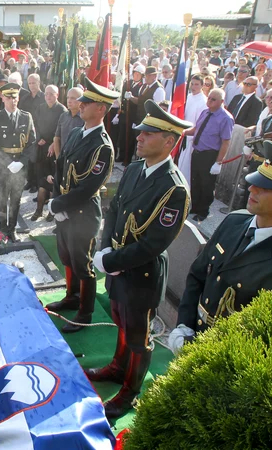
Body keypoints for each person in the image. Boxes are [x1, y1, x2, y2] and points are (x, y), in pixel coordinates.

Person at [169, 141, 272, 352]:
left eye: (266, 188)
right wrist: (184, 325)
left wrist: (196, 349)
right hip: (192, 337)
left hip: (221, 363)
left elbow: (263, 340)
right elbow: (198, 274)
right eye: (256, 181)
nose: (251, 189)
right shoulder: (234, 221)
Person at [87, 100, 191, 420]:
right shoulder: (134, 169)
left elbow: (152, 244)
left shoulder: (174, 189)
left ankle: (130, 391)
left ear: (170, 142)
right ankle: (118, 368)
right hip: (117, 264)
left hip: (141, 273)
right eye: (140, 131)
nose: (139, 137)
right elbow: (115, 209)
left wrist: (113, 260)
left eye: (148, 133)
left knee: (138, 335)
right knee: (119, 319)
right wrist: (105, 251)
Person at [43, 79, 115, 332]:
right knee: (67, 256)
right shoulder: (75, 132)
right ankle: (72, 296)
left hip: (83, 214)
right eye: (81, 101)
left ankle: (85, 312)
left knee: (83, 264)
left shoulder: (102, 145)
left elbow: (88, 187)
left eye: (87, 102)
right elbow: (60, 167)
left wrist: (60, 204)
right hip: (64, 209)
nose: (81, 105)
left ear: (101, 110)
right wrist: (55, 201)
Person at [0, 82, 36, 242]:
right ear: (3, 99)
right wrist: (8, 163)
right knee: (2, 199)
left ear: (18, 98)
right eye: (8, 97)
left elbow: (32, 143)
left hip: (20, 166)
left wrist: (21, 162)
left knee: (16, 199)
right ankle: (2, 231)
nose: (12, 100)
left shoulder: (26, 117)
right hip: (3, 166)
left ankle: (12, 229)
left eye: (14, 97)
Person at [184, 88, 235, 222]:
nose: (209, 101)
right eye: (209, 98)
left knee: (206, 184)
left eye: (213, 99)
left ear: (222, 101)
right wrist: (182, 132)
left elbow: (225, 142)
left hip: (210, 155)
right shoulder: (205, 112)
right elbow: (196, 129)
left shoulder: (225, 118)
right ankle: (194, 206)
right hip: (197, 152)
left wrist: (218, 162)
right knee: (195, 181)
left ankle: (203, 211)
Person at [31, 85, 67, 220]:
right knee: (41, 172)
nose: (48, 97)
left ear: (57, 95)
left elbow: (61, 130)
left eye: (51, 94)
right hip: (41, 145)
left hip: (54, 146)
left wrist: (54, 143)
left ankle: (52, 208)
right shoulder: (40, 108)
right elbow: (35, 124)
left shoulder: (62, 110)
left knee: (53, 176)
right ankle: (40, 204)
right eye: (46, 94)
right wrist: (38, 137)